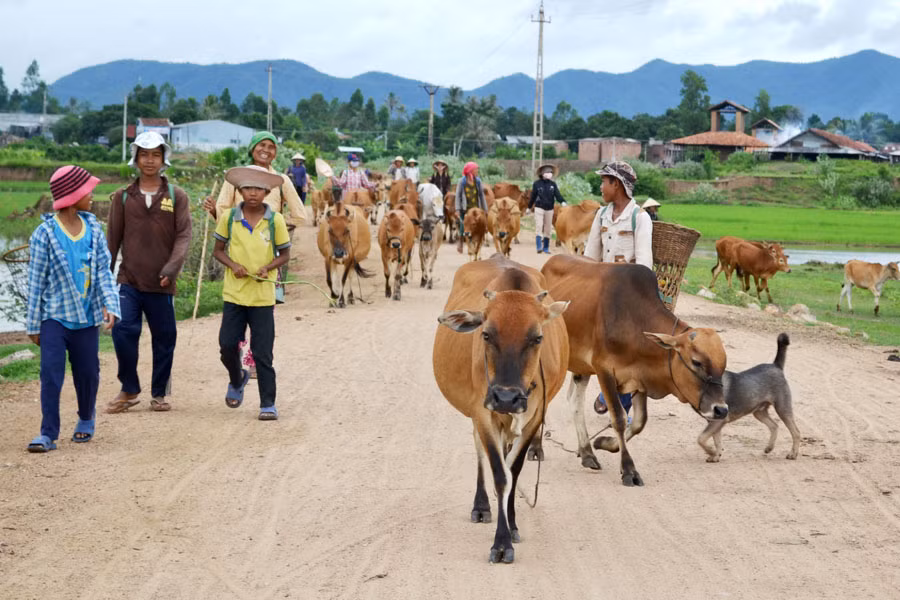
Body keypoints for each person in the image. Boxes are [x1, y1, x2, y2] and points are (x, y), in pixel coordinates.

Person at [24, 166, 121, 452]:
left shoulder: (93, 229)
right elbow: (35, 281)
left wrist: (110, 305)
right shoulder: (45, 234)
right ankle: (48, 433)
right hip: (54, 316)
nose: (92, 195)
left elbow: (103, 271)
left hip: (86, 317)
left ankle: (86, 418)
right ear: (72, 195)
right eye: (87, 190)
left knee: (88, 372)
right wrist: (33, 325)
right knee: (50, 373)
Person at [203, 131, 305, 377]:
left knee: (264, 308)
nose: (266, 150)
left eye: (271, 146)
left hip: (269, 254)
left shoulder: (281, 180)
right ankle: (236, 352)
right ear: (251, 149)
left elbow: (300, 215)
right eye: (261, 145)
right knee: (238, 305)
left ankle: (255, 360)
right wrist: (216, 213)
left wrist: (275, 225)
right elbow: (223, 211)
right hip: (238, 251)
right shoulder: (235, 177)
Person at [106, 132, 192, 414]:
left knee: (165, 337)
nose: (150, 160)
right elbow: (112, 242)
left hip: (162, 281)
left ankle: (159, 393)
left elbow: (183, 236)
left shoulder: (176, 196)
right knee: (122, 330)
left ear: (163, 158)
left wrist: (172, 268)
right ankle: (129, 387)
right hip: (128, 278)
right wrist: (104, 283)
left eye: (155, 154)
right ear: (136, 158)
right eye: (144, 154)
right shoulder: (121, 197)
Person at [212, 166, 291, 421]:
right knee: (226, 345)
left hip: (262, 297)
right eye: (247, 188)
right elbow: (218, 250)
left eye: (258, 188)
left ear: (267, 192)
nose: (253, 193)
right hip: (234, 295)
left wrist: (268, 266)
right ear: (239, 191)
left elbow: (285, 254)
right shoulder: (228, 218)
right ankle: (237, 378)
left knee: (262, 352)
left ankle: (268, 403)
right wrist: (233, 265)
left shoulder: (275, 220)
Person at [584, 161, 654, 419]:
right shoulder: (601, 216)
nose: (601, 187)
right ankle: (613, 395)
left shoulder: (640, 218)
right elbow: (590, 257)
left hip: (630, 295)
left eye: (604, 181)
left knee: (624, 350)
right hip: (602, 293)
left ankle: (615, 398)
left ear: (617, 184)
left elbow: (645, 264)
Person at [529, 163, 567, 254]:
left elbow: (557, 194)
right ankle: (539, 246)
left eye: (550, 172)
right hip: (539, 207)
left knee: (548, 229)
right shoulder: (537, 184)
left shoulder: (553, 185)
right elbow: (533, 196)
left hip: (549, 209)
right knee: (539, 225)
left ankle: (546, 248)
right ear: (542, 173)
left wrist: (562, 201)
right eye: (547, 172)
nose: (549, 173)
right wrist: (529, 207)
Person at [454, 161, 487, 253]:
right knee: (463, 224)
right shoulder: (462, 181)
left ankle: (480, 237)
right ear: (470, 170)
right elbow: (458, 196)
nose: (477, 171)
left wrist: (485, 209)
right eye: (476, 169)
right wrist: (457, 209)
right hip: (465, 207)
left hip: (476, 207)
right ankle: (460, 240)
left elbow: (481, 195)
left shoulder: (478, 181)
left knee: (480, 223)